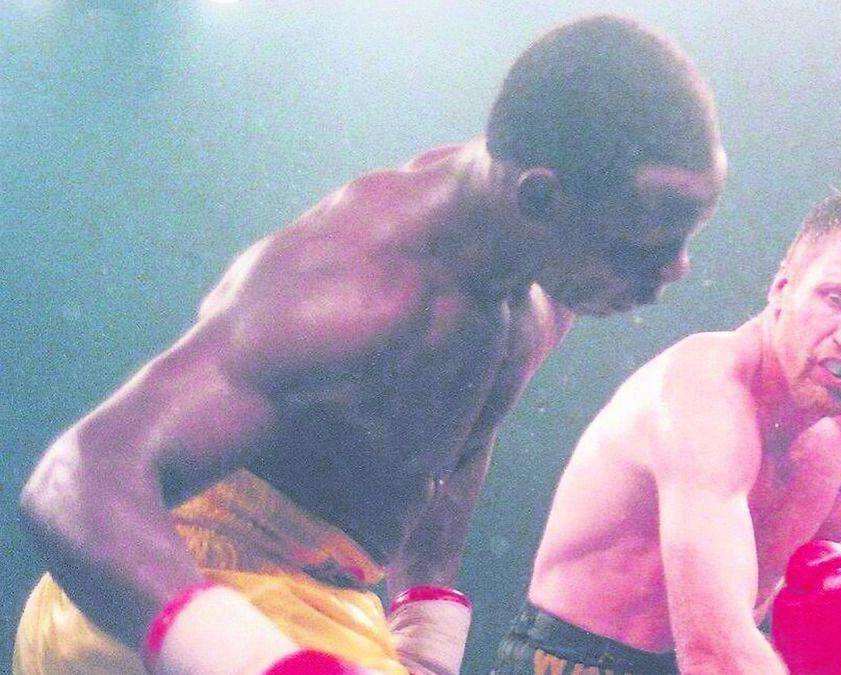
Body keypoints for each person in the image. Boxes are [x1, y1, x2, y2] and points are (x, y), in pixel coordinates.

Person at [14, 14, 727, 675]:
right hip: (146, 588)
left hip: (323, 598)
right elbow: (74, 479)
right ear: (541, 198)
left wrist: (425, 637)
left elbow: (453, 447)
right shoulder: (354, 287)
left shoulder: (544, 278)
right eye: (651, 235)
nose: (675, 268)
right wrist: (248, 657)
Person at [491, 191, 841, 675]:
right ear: (782, 287)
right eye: (836, 299)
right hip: (580, 661)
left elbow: (821, 613)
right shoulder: (704, 392)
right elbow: (714, 651)